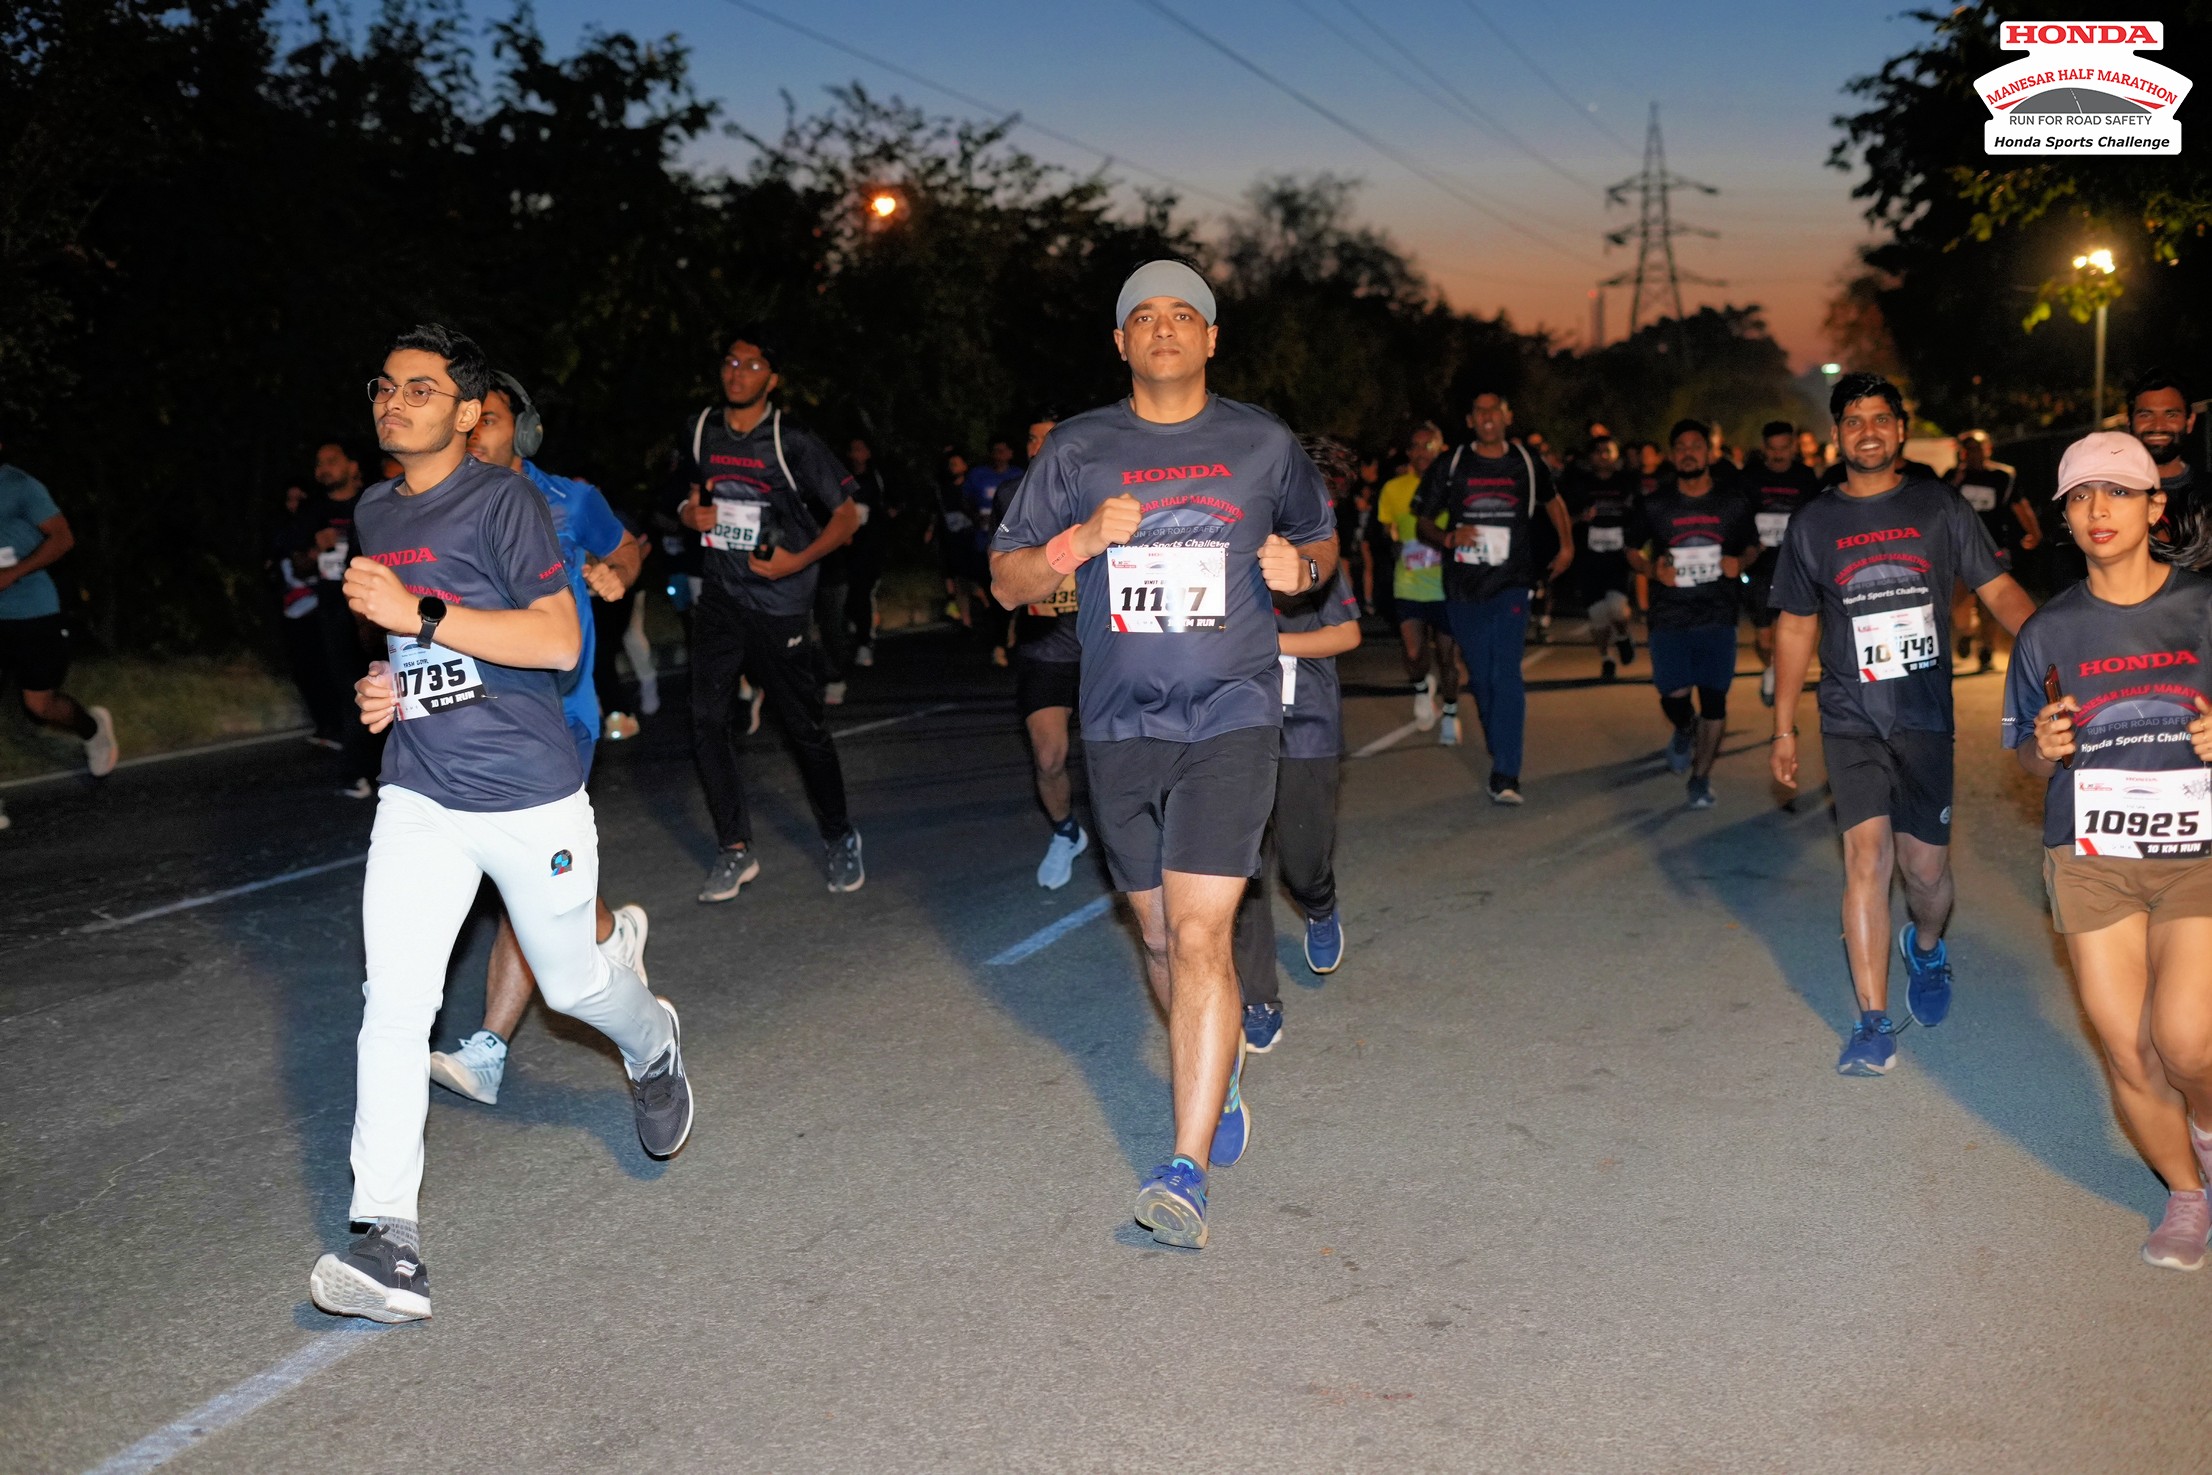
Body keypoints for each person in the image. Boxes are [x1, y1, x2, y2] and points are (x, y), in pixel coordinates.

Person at [310, 324, 692, 1324]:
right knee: (395, 1003)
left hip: (528, 792)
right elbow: (409, 643)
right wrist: (387, 681)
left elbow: (559, 641)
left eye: (420, 389)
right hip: (421, 791)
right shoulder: (377, 506)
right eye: (384, 385)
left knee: (572, 985)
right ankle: (389, 1240)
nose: (393, 402)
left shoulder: (507, 501)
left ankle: (653, 1043)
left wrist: (421, 615)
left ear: (470, 411)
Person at [990, 260, 1338, 1249]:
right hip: (1117, 724)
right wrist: (1074, 545)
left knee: (1197, 934)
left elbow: (1322, 543)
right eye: (1143, 316)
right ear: (1121, 342)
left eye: (1184, 314)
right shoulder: (1077, 448)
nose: (1164, 328)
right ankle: (1214, 1074)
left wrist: (1301, 566)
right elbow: (1007, 581)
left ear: (1211, 337)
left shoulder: (1262, 441)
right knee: (1155, 937)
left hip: (1231, 716)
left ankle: (1182, 1166)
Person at [1768, 372, 2036, 1076]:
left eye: (1880, 418)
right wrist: (1783, 726)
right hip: (1850, 715)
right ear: (1836, 435)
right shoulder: (1813, 522)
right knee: (1866, 860)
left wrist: (2061, 656)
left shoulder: (1938, 505)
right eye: (1854, 420)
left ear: (1901, 429)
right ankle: (1873, 1023)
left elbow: (1998, 588)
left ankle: (1927, 946)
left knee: (1925, 873)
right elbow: (1795, 625)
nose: (1868, 431)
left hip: (1924, 716)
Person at [2007, 430, 2212, 1270]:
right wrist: (2043, 748)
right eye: (2081, 495)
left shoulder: (2204, 608)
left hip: (2197, 849)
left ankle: (2207, 1129)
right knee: (2127, 1046)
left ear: (2155, 506)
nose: (2099, 509)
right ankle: (2186, 1194)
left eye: (2119, 491)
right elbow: (2025, 752)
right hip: (2092, 857)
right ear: (2066, 515)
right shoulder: (2048, 630)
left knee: (2187, 1039)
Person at [425, 370, 653, 1107]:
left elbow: (630, 547)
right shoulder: (444, 505)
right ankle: (611, 931)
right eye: (465, 421)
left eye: (488, 420)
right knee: (532, 878)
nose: (472, 435)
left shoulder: (569, 500)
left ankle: (488, 1049)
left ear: (524, 431)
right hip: (476, 721)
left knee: (521, 878)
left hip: (561, 717)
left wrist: (616, 572)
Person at [676, 331, 865, 900]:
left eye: (752, 364)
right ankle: (734, 848)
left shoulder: (792, 440)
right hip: (721, 595)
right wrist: (690, 514)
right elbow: (690, 497)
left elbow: (848, 517)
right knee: (707, 719)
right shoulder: (701, 429)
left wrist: (795, 562)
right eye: (731, 362)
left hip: (780, 601)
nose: (737, 372)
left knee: (803, 727)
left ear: (772, 378)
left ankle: (840, 835)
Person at [1236, 438, 1363, 1055]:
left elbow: (1347, 634)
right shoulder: (1231, 540)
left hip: (1304, 720)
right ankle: (1256, 997)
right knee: (1240, 867)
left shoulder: (1319, 551)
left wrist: (1271, 647)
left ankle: (1319, 902)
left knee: (1302, 858)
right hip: (1233, 723)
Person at [1411, 390, 1574, 804]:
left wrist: (1567, 545)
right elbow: (1422, 523)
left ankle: (1507, 772)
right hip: (1464, 586)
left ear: (1507, 416)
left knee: (1507, 673)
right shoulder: (1452, 463)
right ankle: (1499, 739)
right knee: (1482, 678)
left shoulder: (1526, 462)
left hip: (1512, 582)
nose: (1487, 417)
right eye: (1479, 411)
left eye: (1494, 410)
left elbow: (1554, 502)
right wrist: (1449, 537)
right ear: (1470, 420)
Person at [1625, 420, 1758, 808]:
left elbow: (1752, 546)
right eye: (1680, 447)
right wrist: (1652, 570)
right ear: (1671, 455)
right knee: (1673, 696)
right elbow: (1631, 549)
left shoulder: (1732, 502)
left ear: (1709, 453)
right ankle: (1685, 727)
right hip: (1670, 616)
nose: (1688, 453)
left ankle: (1700, 778)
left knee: (1715, 701)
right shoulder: (1656, 504)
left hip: (1718, 614)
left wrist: (1740, 563)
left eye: (1696, 446)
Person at [0, 430, 116, 825]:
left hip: (31, 610)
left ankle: (92, 729)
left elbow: (63, 538)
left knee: (39, 706)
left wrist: (14, 572)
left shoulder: (21, 486)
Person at [1000, 412, 1090, 889]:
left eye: (1049, 438)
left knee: (1116, 758)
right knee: (1049, 756)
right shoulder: (1010, 496)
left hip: (1104, 646)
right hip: (1045, 647)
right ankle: (1065, 832)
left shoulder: (1100, 489)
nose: (1040, 447)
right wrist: (1003, 633)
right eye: (1033, 439)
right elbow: (999, 570)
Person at [289, 440, 381, 796]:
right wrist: (316, 551)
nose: (323, 469)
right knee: (352, 689)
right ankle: (354, 771)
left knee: (391, 683)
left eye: (331, 461)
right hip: (335, 611)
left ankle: (392, 767)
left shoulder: (375, 502)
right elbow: (299, 565)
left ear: (353, 466)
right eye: (319, 463)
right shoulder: (313, 512)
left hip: (378, 607)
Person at [1379, 422, 1462, 740]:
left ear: (1441, 449)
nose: (1421, 452)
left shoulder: (1454, 488)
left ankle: (1450, 713)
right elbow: (1387, 530)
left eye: (1429, 445)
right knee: (1414, 654)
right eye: (1416, 446)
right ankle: (1421, 688)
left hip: (1446, 586)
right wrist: (1396, 544)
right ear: (1409, 452)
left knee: (1447, 656)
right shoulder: (1394, 489)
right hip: (1409, 584)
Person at [1741, 419, 1824, 705]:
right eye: (1772, 449)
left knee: (1791, 630)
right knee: (1764, 637)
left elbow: (1816, 518)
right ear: (1764, 448)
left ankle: (1783, 680)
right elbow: (1738, 517)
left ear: (1794, 447)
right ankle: (1771, 667)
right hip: (1759, 568)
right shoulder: (1750, 478)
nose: (1778, 455)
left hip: (1794, 568)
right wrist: (1749, 545)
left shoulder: (1805, 477)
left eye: (1784, 448)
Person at [1946, 429, 2038, 673]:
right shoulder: (1952, 477)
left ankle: (1986, 650)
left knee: (1990, 604)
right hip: (1959, 551)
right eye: (1968, 449)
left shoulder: (2002, 477)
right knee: (1959, 604)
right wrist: (1956, 481)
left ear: (1987, 449)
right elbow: (1939, 508)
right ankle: (1968, 632)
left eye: (1977, 448)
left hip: (1993, 548)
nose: (1973, 453)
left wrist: (2034, 532)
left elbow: (2019, 505)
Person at [1561, 434, 1639, 681]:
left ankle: (1623, 636)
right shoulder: (1579, 485)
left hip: (1617, 557)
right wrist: (1580, 518)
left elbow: (1640, 516)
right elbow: (1563, 519)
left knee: (1617, 608)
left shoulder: (1627, 483)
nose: (1604, 456)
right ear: (1591, 457)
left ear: (1617, 456)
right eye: (1598, 451)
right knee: (1597, 614)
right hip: (1589, 558)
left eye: (1609, 451)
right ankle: (1606, 658)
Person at [2132, 371, 2202, 565]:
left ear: (2190, 422)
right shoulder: (2110, 495)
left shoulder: (2207, 493)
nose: (2158, 426)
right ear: (2130, 422)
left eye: (2171, 414)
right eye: (2146, 415)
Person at [843, 436, 893, 668]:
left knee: (863, 591)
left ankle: (865, 641)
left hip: (870, 544)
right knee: (847, 592)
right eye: (852, 449)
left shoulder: (878, 478)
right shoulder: (841, 477)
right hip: (845, 543)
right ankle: (854, 628)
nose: (856, 454)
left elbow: (891, 503)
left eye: (860, 449)